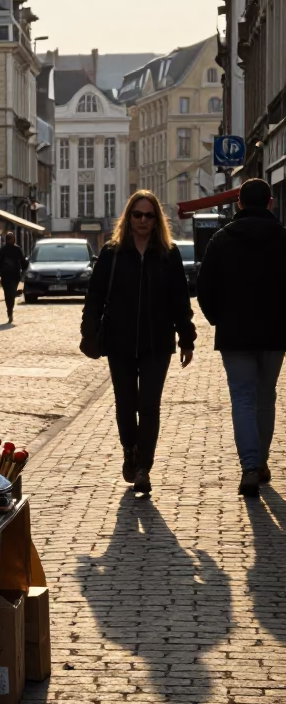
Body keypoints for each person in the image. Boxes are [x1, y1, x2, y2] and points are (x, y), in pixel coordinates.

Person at [80, 190, 195, 494]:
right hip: (119, 341)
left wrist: (187, 338)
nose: (143, 220)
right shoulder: (112, 253)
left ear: (157, 219)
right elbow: (94, 297)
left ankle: (143, 467)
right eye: (137, 214)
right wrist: (88, 332)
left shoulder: (169, 254)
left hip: (158, 343)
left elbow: (179, 300)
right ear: (128, 217)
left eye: (149, 215)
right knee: (125, 405)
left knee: (150, 406)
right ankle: (130, 448)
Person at [196, 178, 286, 497]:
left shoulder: (222, 239)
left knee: (243, 398)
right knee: (266, 396)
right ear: (271, 203)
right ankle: (260, 462)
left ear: (239, 204)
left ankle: (249, 466)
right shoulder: (283, 238)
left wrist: (219, 319)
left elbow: (204, 287)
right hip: (276, 334)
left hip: (235, 335)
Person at [0, 231, 28, 322]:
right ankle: (10, 311)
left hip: (11, 275)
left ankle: (10, 310)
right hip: (10, 275)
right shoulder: (10, 249)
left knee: (9, 294)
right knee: (9, 294)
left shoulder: (10, 249)